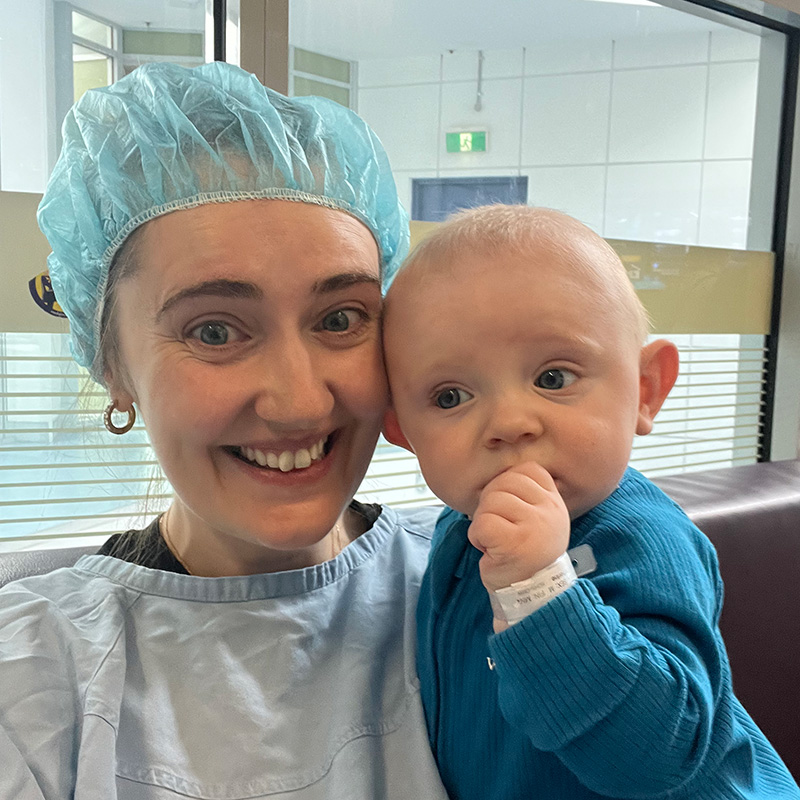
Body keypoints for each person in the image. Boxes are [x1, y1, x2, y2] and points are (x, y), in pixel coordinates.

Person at [0, 62, 449, 799]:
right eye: (214, 330)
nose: (301, 404)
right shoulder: (33, 675)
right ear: (113, 362)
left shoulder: (487, 590)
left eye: (340, 319)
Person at [381, 204, 800, 799]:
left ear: (646, 390)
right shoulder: (456, 534)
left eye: (553, 377)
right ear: (401, 430)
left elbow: (663, 754)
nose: (509, 422)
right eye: (450, 396)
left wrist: (539, 589)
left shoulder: (644, 538)